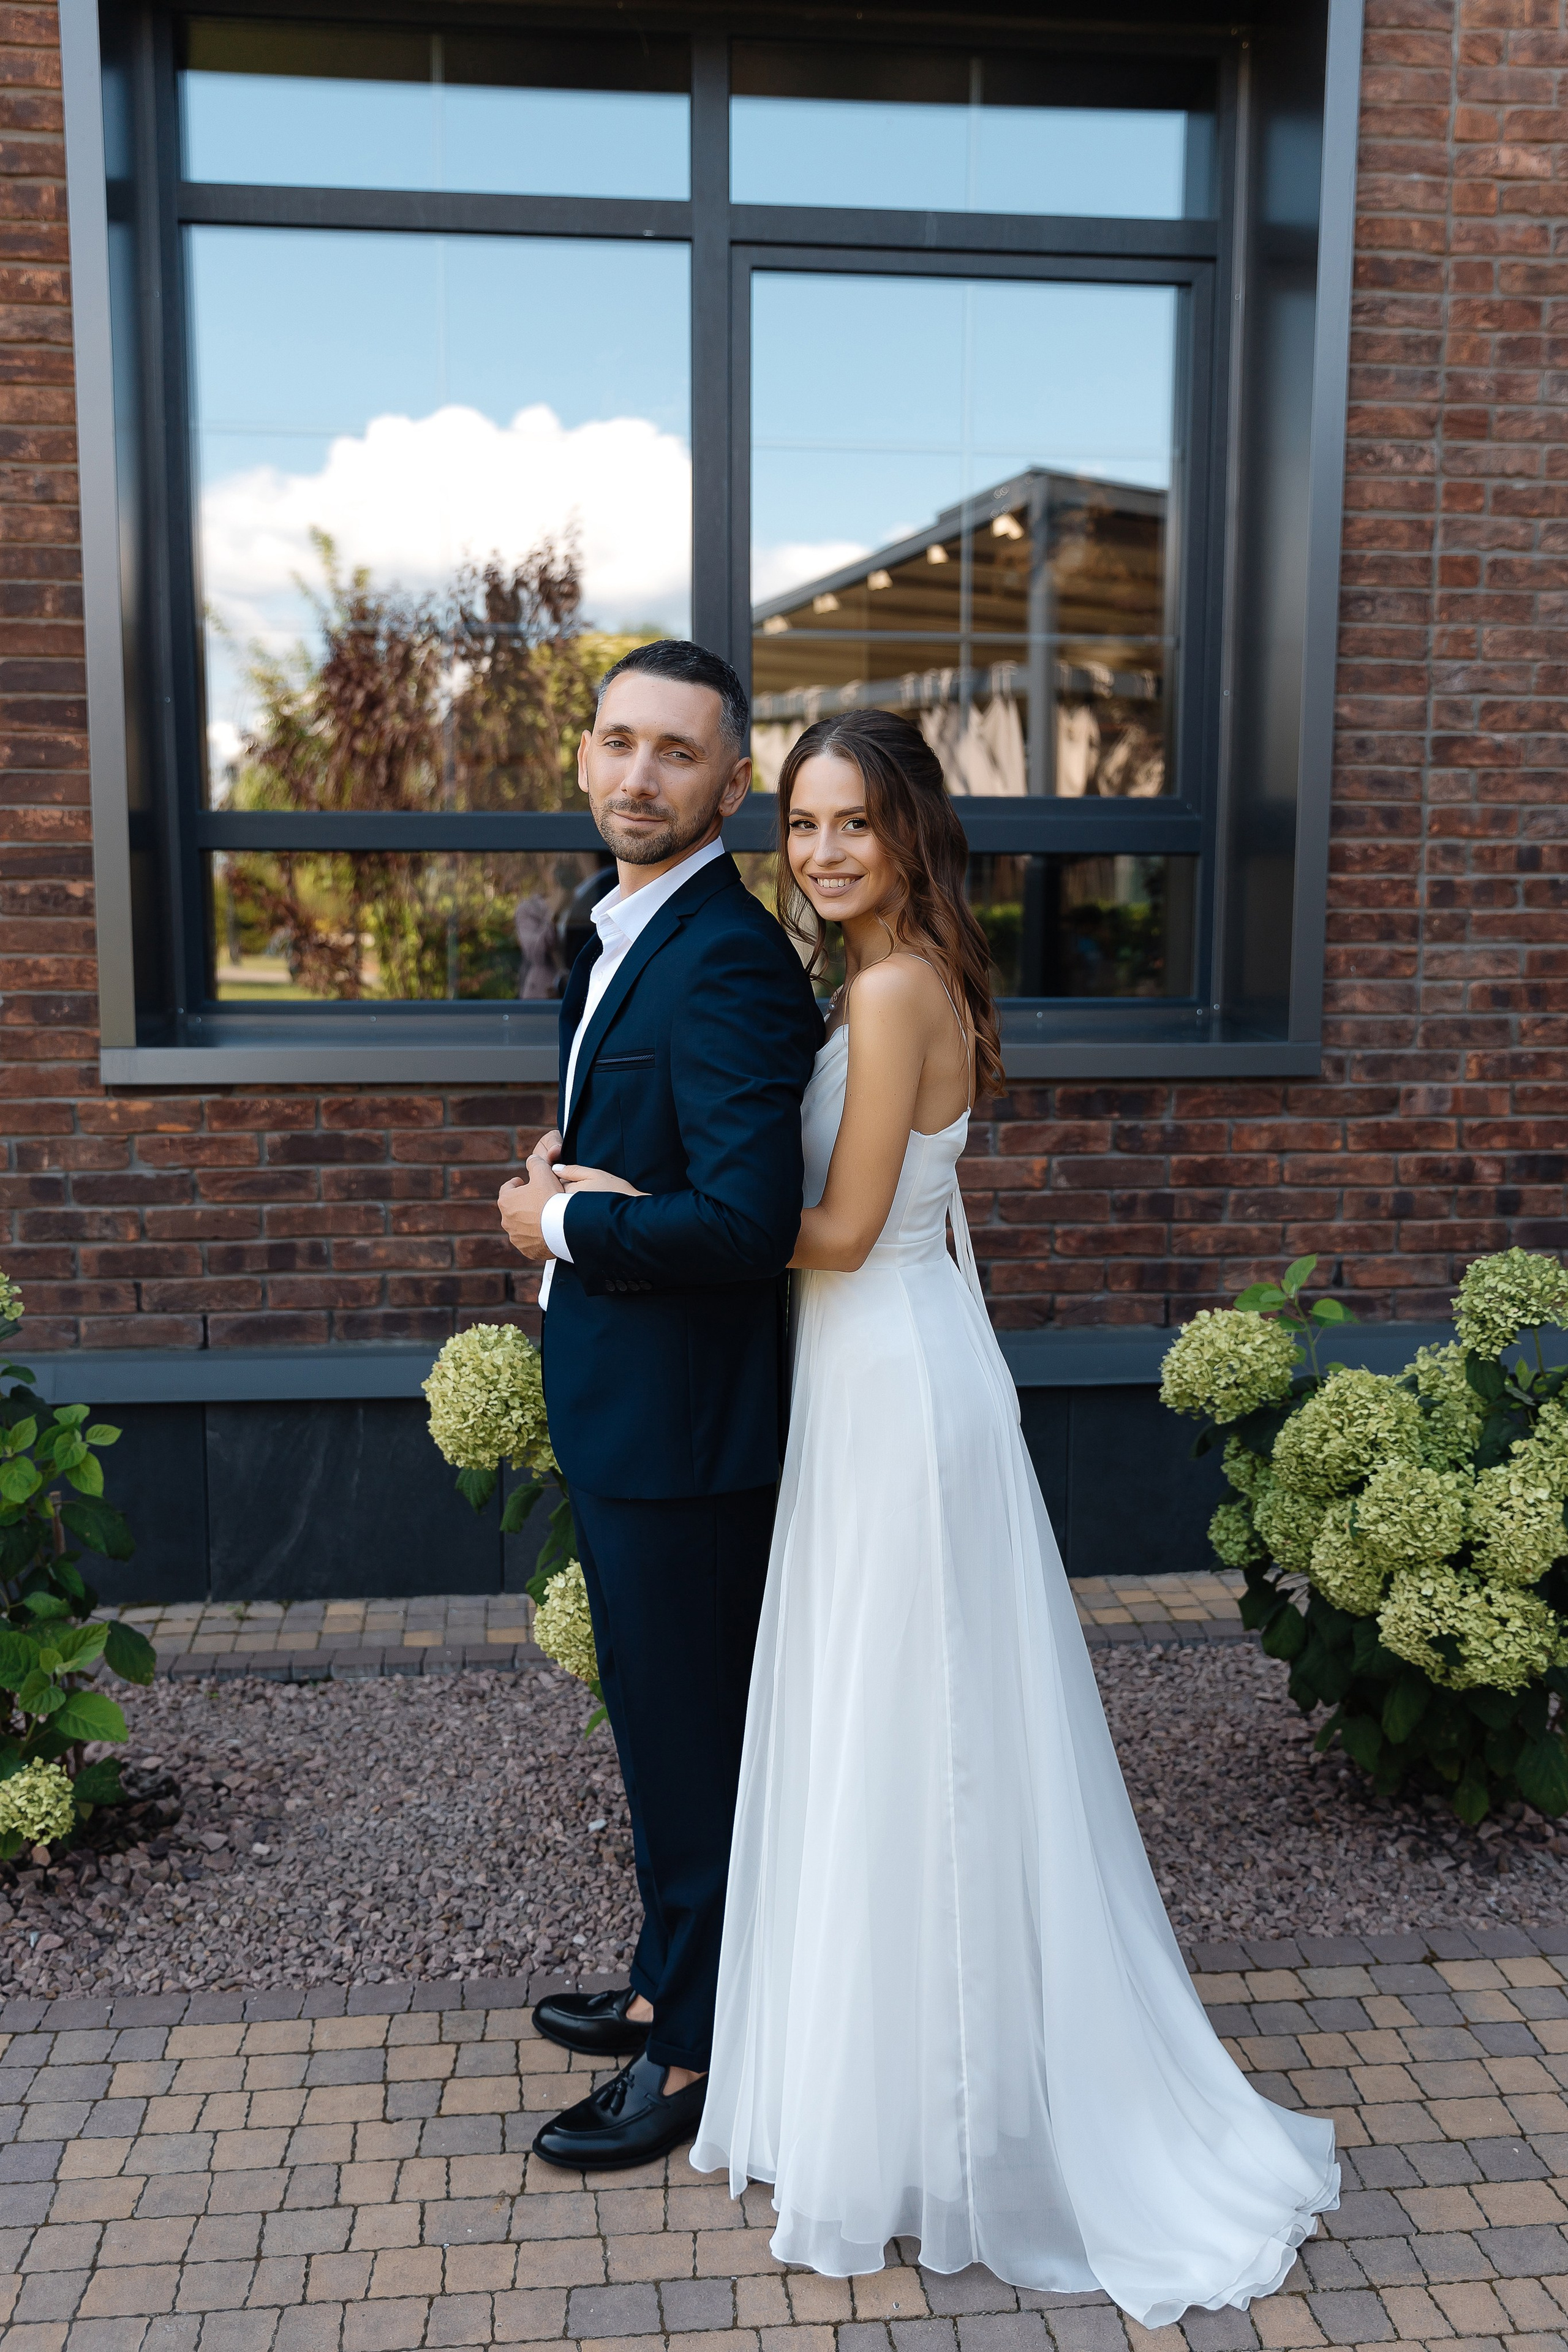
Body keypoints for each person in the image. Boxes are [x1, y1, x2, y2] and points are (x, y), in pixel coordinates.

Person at [557, 707, 1338, 2322]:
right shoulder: (889, 978)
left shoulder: (900, 989)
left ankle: (935, 2095)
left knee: (916, 1730)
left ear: (913, 832)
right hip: (879, 1381)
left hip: (892, 1382)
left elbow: (831, 1234)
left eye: (855, 823)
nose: (826, 852)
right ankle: (888, 2063)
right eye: (806, 825)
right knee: (888, 1726)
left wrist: (597, 1217)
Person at [497, 639, 821, 2172]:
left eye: (676, 753)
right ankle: (661, 1983)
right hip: (631, 1409)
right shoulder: (613, 925)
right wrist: (571, 1171)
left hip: (689, 1434)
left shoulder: (731, 956)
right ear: (582, 753)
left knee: (692, 1744)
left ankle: (691, 2056)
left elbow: (747, 1222)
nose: (638, 774)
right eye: (618, 741)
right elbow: (658, 1139)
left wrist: (556, 1227)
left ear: (731, 783)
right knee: (656, 1725)